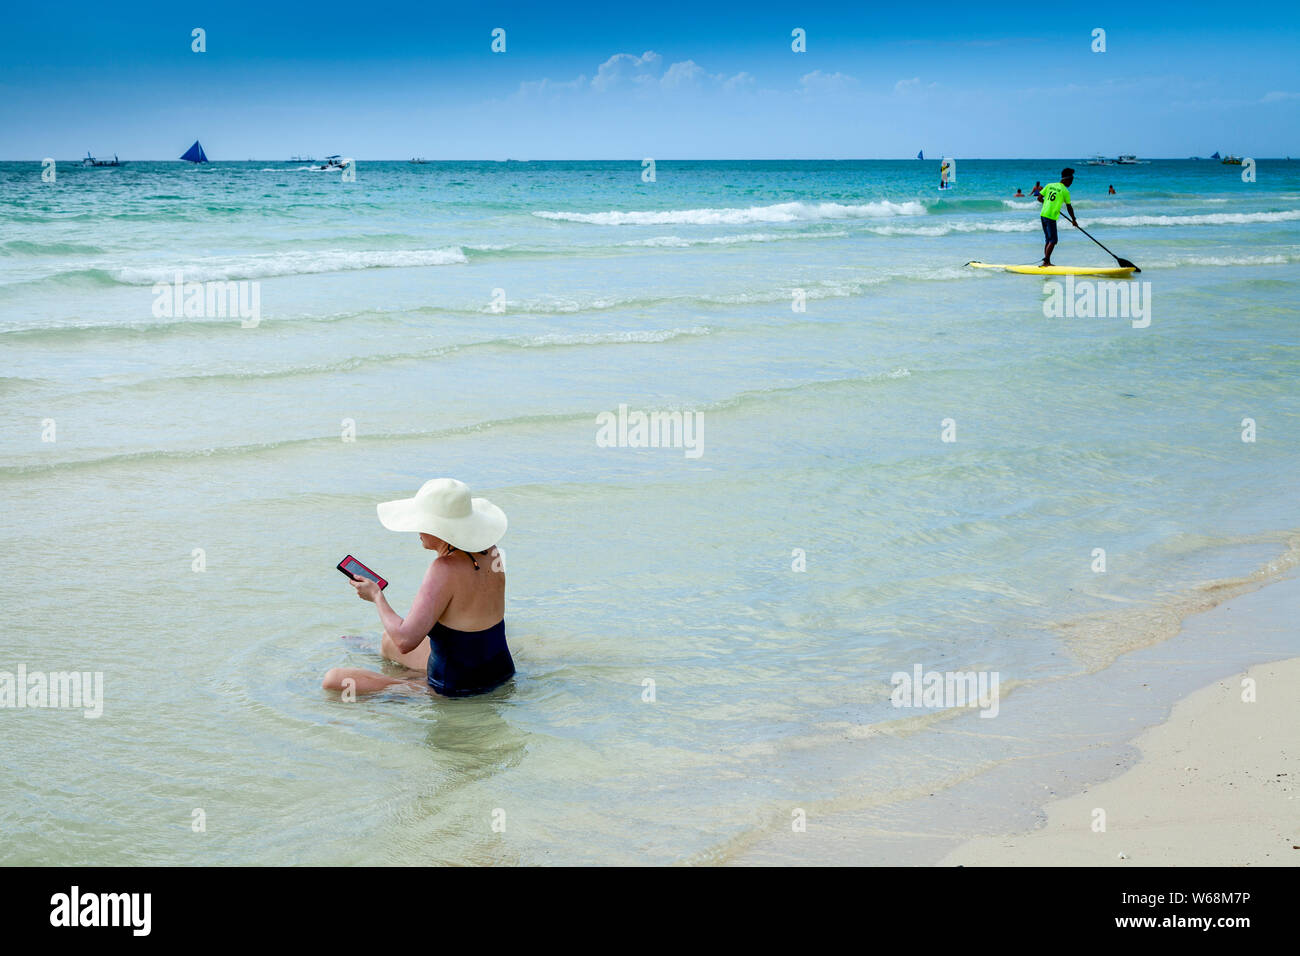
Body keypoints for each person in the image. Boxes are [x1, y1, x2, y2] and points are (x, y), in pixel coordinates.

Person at [322, 478, 515, 698]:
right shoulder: (490, 551)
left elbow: (406, 641)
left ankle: (410, 686)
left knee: (333, 680)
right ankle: (395, 666)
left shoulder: (443, 569)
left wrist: (376, 596)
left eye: (423, 522)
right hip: (500, 671)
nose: (417, 529)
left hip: (456, 687)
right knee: (387, 640)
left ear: (442, 529)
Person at [1035, 168, 1077, 267]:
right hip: (1051, 217)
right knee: (1053, 240)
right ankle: (1046, 262)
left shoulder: (1049, 185)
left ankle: (1046, 262)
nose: (1071, 183)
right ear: (1067, 179)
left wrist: (1049, 204)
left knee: (1048, 240)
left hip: (1043, 214)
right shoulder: (1065, 191)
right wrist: (1074, 220)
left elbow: (1039, 198)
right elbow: (1069, 207)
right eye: (1071, 181)